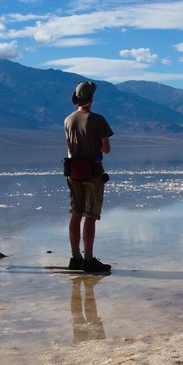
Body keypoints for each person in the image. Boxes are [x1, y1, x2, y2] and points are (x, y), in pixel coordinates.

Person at [64, 81, 114, 273]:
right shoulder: (98, 120)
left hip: (73, 172)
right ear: (92, 98)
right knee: (90, 216)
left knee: (76, 214)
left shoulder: (68, 120)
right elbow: (107, 149)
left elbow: (69, 149)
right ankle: (89, 259)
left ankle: (75, 257)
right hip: (92, 173)